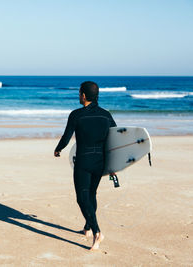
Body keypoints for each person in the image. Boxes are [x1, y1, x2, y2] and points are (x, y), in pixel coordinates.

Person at [54, 81, 116, 251]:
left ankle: (97, 232)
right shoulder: (106, 115)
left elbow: (66, 138)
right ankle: (87, 228)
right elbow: (116, 139)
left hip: (83, 161)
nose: (78, 95)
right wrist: (113, 165)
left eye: (79, 93)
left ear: (83, 95)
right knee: (92, 193)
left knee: (82, 198)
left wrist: (58, 149)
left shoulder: (76, 115)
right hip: (100, 162)